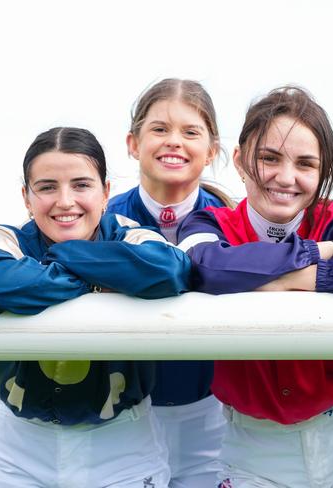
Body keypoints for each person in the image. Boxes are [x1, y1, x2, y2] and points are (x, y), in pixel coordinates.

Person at [177, 86, 333, 488]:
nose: (286, 177)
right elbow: (204, 269)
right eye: (270, 158)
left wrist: (306, 279)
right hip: (250, 451)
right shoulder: (208, 224)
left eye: (305, 164)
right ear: (242, 159)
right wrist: (315, 252)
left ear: (321, 172)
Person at [0, 127, 191, 488]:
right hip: (15, 444)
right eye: (47, 187)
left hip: (122, 443)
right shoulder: (5, 238)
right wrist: (98, 281)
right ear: (26, 197)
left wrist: (57, 260)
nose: (65, 201)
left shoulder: (130, 233)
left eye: (81, 185)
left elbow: (169, 269)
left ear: (106, 192)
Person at [107, 78, 232, 488]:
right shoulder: (100, 221)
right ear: (132, 142)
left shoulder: (233, 221)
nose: (173, 142)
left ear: (212, 150)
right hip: (124, 418)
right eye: (159, 129)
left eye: (190, 132)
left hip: (214, 417)